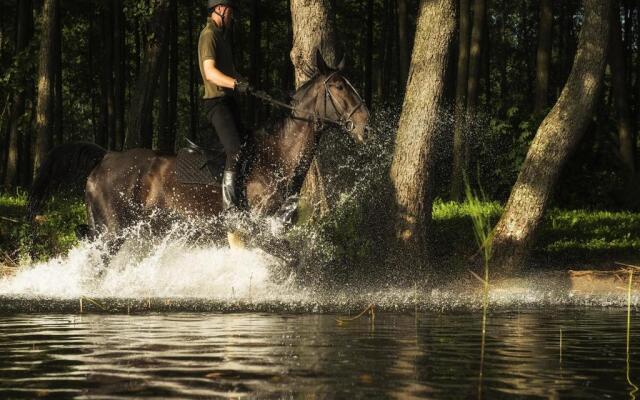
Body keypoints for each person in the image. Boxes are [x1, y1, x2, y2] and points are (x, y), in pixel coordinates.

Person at [198, 0, 251, 211]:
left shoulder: (222, 37)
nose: (232, 16)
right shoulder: (208, 35)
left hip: (228, 101)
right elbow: (210, 73)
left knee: (249, 145)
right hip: (216, 103)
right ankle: (229, 207)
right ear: (220, 9)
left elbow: (230, 72)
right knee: (235, 150)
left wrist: (247, 84)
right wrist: (236, 84)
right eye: (230, 11)